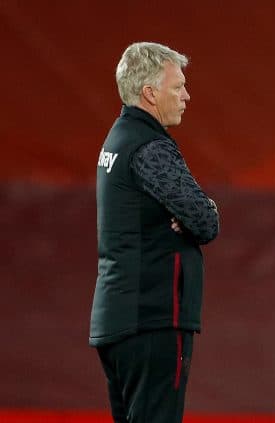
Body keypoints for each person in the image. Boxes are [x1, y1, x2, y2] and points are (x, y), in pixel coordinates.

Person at [89, 42, 219, 423]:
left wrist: (192, 213)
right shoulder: (150, 146)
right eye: (177, 87)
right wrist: (206, 209)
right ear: (150, 92)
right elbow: (205, 221)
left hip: (119, 318)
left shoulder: (118, 140)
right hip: (153, 319)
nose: (186, 95)